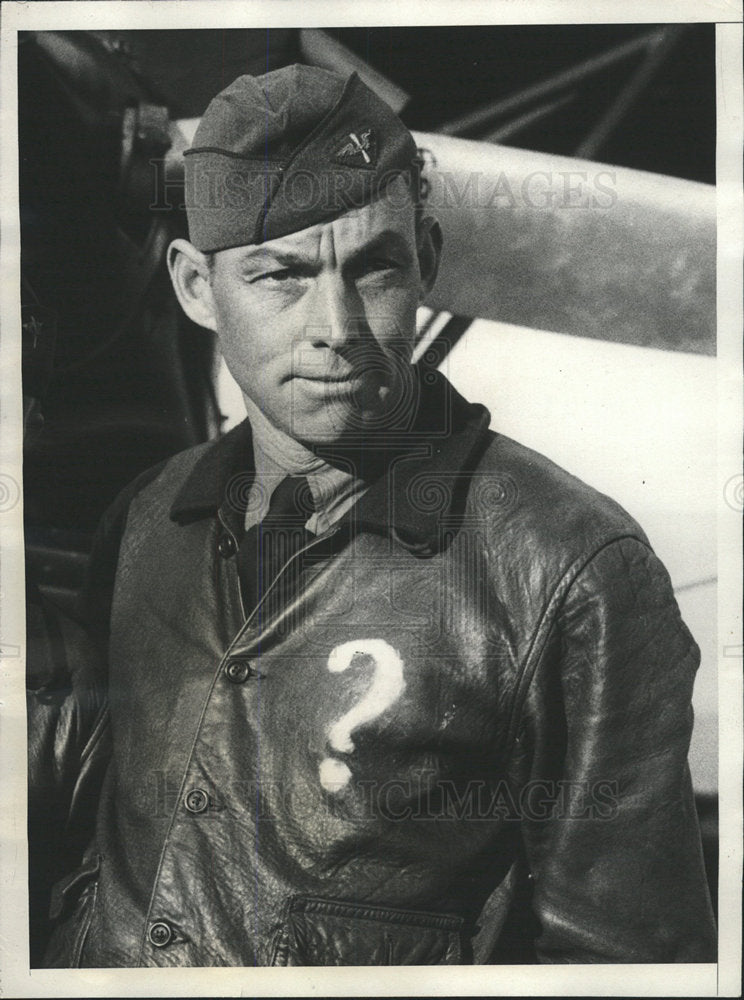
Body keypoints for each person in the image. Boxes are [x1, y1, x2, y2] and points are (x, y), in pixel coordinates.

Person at [38, 64, 716, 967]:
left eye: (375, 267)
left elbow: (627, 965)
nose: (337, 326)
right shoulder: (147, 519)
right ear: (198, 289)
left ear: (427, 261)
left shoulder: (571, 569)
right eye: (278, 275)